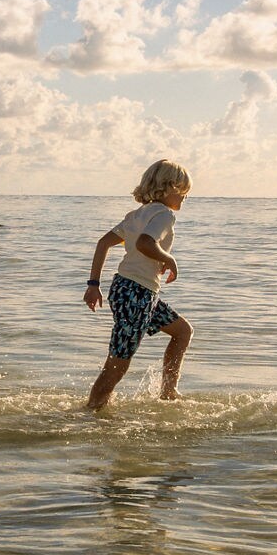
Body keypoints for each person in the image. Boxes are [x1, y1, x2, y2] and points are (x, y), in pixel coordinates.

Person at [83, 160, 195, 410]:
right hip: (136, 293)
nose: (185, 197)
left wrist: (93, 284)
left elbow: (103, 243)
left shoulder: (137, 215)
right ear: (168, 187)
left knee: (182, 331)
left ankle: (168, 392)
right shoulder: (165, 214)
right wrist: (169, 259)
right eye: (183, 191)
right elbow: (146, 243)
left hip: (131, 289)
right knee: (119, 359)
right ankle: (92, 409)